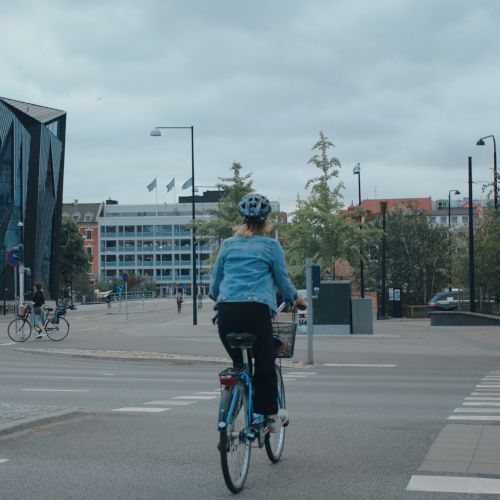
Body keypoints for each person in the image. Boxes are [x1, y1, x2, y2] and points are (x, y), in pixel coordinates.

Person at [209, 193, 306, 432]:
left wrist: (220, 299)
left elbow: (214, 284)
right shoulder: (271, 246)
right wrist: (296, 299)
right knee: (264, 362)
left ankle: (233, 406)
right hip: (256, 311)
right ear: (266, 222)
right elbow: (282, 281)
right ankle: (271, 417)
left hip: (227, 312)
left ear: (242, 219)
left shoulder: (228, 244)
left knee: (240, 365)